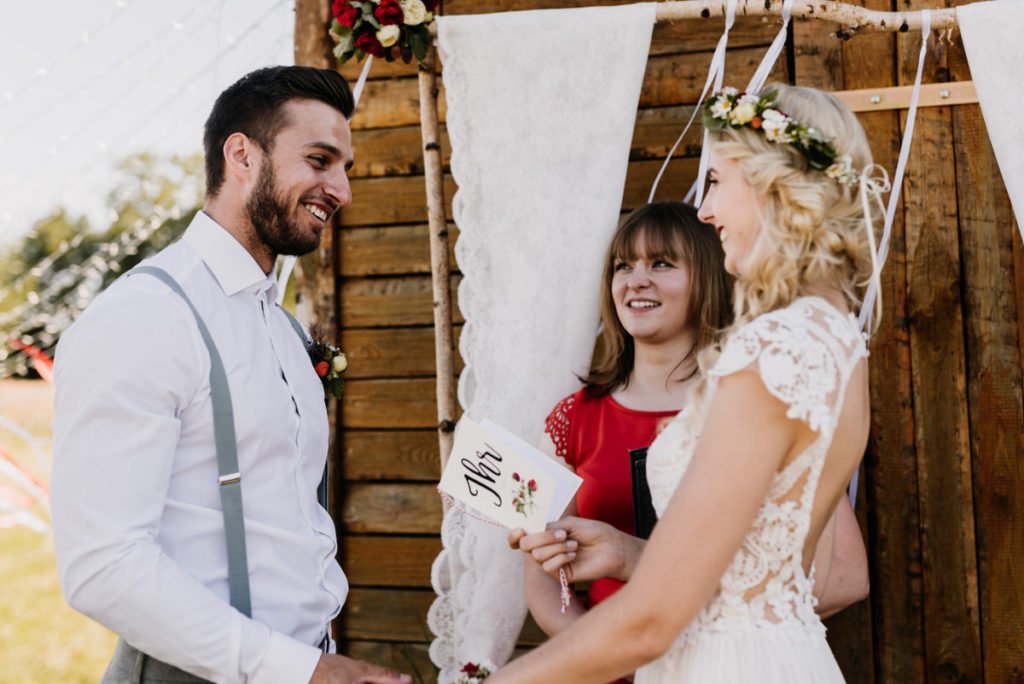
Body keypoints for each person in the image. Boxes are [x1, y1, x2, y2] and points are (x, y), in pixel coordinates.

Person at [494, 83, 880, 682]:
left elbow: (653, 620)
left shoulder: (772, 351)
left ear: (771, 184)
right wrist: (625, 553)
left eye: (720, 181)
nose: (707, 210)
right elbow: (762, 576)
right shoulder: (837, 341)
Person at [51, 66, 409, 684]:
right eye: (321, 159)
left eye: (344, 167)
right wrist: (300, 670)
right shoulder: (147, 316)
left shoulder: (280, 323)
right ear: (241, 154)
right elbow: (102, 565)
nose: (342, 190)